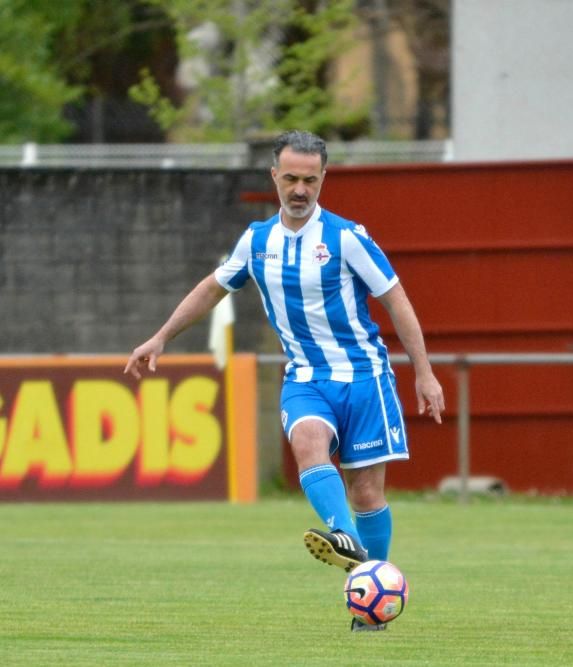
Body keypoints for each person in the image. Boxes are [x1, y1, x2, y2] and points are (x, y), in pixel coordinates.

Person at [125, 130, 445, 631]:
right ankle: (346, 541)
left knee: (366, 491)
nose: (300, 189)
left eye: (310, 180)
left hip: (364, 376)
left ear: (323, 179)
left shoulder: (346, 237)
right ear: (274, 176)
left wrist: (423, 372)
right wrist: (161, 336)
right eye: (291, 178)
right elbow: (213, 288)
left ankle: (371, 608)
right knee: (308, 444)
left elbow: (396, 300)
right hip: (306, 377)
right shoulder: (257, 241)